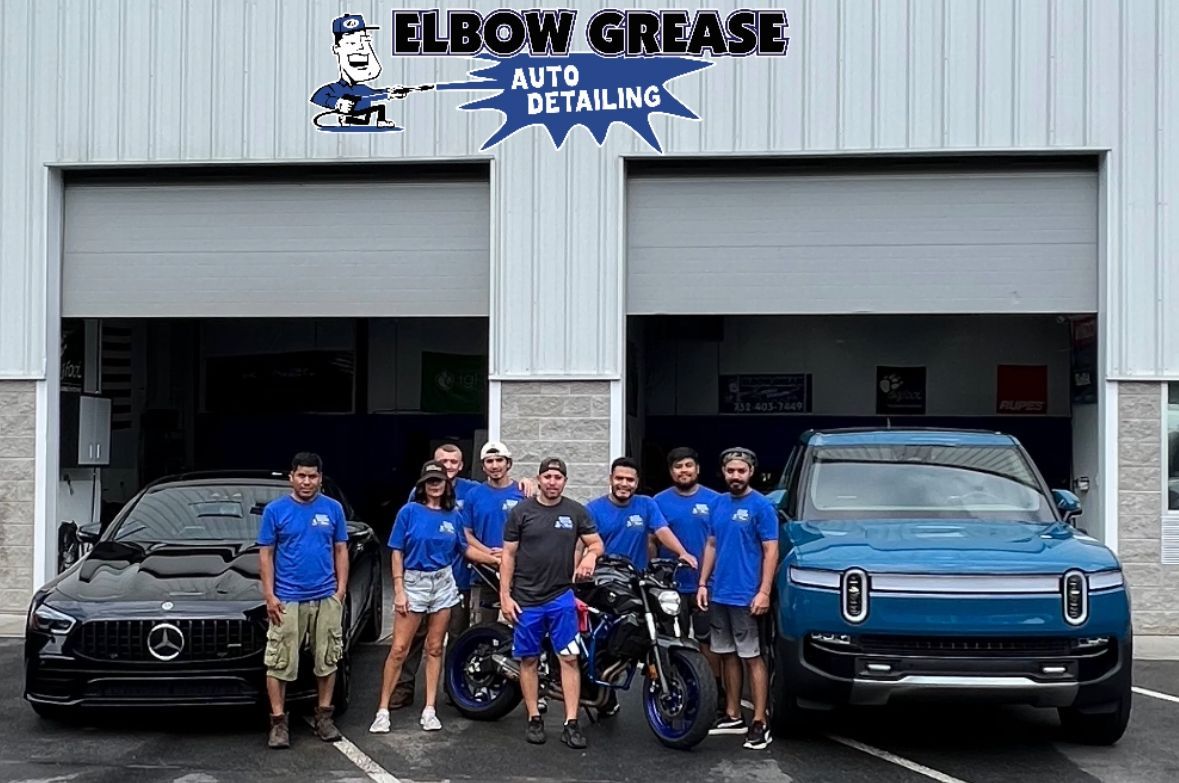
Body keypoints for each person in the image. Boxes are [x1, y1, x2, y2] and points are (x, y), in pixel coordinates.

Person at [392, 442, 533, 709]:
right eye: (442, 462)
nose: (447, 467)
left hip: (459, 577)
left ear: (461, 465)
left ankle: (453, 687)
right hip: (420, 579)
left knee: (456, 635)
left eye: (453, 462)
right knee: (415, 636)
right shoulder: (418, 494)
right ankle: (404, 686)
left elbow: (469, 536)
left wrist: (529, 481)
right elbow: (405, 537)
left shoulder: (472, 490)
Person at [369, 460, 500, 734]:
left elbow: (465, 550)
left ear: (446, 484)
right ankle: (382, 710)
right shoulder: (409, 512)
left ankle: (430, 709)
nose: (435, 485)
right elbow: (396, 551)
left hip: (443, 583)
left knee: (436, 647)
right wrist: (399, 590)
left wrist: (495, 559)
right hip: (414, 581)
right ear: (422, 485)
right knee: (399, 649)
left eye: (439, 480)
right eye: (430, 481)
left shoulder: (454, 516)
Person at [500, 457, 604, 749]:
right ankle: (534, 717)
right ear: (539, 479)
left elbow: (596, 543)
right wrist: (505, 596)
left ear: (565, 481)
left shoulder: (575, 511)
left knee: (569, 659)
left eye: (558, 477)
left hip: (561, 598)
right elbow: (508, 555)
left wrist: (589, 556)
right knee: (529, 659)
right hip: (526, 600)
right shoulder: (521, 511)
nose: (552, 482)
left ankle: (571, 723)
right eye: (547, 477)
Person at [258, 452, 349, 749]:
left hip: (325, 596)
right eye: (301, 476)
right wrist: (270, 595)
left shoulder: (333, 509)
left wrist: (340, 592)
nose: (307, 481)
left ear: (320, 479)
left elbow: (340, 550)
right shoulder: (275, 511)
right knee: (279, 662)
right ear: (291, 477)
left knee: (328, 658)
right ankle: (278, 723)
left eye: (312, 476)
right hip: (287, 599)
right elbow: (266, 555)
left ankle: (324, 717)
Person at [696, 447, 779, 751]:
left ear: (751, 473)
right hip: (720, 594)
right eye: (730, 471)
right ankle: (733, 715)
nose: (735, 476)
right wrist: (703, 583)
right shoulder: (717, 504)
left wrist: (764, 592)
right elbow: (712, 544)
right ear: (724, 472)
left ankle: (759, 721)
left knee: (752, 657)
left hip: (748, 595)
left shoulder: (761, 507)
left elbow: (771, 550)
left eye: (741, 471)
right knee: (727, 654)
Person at [653, 447, 722, 698]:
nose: (684, 471)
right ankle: (680, 691)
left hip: (706, 585)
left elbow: (720, 541)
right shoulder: (658, 502)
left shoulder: (716, 500)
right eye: (678, 467)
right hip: (671, 588)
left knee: (709, 642)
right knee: (675, 641)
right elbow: (652, 540)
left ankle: (714, 693)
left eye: (688, 466)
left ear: (697, 469)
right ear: (671, 472)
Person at [585, 457, 698, 573]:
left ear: (637, 482)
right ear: (610, 479)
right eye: (619, 478)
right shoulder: (592, 509)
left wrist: (682, 552)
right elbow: (583, 545)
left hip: (638, 578)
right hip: (606, 578)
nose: (624, 484)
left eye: (630, 480)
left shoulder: (646, 503)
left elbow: (662, 530)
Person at [461, 441, 527, 624]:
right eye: (489, 461)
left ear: (509, 463)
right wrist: (488, 553)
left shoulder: (523, 493)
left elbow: (533, 532)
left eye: (500, 460)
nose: (495, 465)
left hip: (519, 573)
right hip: (484, 573)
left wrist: (508, 554)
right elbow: (466, 532)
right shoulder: (474, 495)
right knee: (482, 629)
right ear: (483, 466)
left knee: (520, 626)